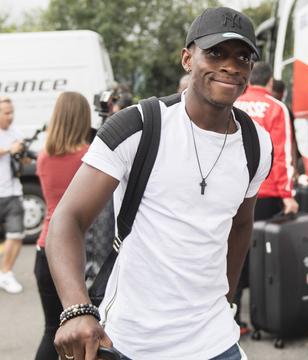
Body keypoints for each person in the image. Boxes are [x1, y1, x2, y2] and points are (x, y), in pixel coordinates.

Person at [46, 7, 272, 360]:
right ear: (187, 58)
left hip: (216, 343)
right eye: (215, 53)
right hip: (132, 344)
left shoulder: (256, 143)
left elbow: (240, 224)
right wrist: (77, 309)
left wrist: (224, 300)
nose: (231, 66)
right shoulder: (136, 126)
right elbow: (67, 218)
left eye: (243, 57)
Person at [234, 63, 299, 333]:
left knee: (235, 255)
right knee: (265, 258)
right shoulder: (276, 108)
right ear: (270, 81)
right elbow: (283, 155)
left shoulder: (234, 102)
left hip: (234, 192)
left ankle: (233, 317)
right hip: (268, 193)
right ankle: (266, 315)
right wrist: (289, 196)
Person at [34, 92, 92, 360]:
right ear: (83, 117)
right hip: (77, 252)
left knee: (51, 329)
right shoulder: (89, 155)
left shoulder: (44, 155)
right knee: (86, 331)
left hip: (45, 248)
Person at [0, 96, 25, 294]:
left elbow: (22, 160)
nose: (10, 116)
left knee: (16, 234)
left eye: (12, 112)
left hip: (14, 191)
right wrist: (10, 149)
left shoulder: (16, 132)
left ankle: (6, 273)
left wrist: (22, 154)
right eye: (6, 113)